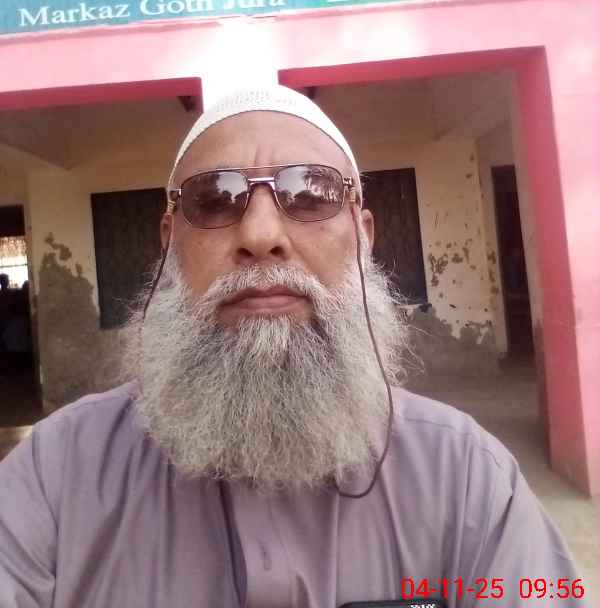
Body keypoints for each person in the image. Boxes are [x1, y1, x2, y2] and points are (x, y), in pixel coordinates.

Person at [0, 86, 588, 608]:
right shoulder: (55, 475)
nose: (260, 237)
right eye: (214, 199)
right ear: (170, 241)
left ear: (362, 235)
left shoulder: (467, 478)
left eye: (310, 193)